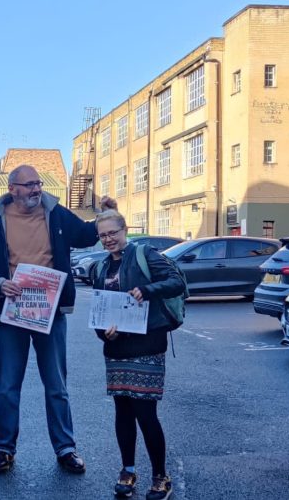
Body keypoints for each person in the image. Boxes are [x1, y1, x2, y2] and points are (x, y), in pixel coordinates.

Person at [0, 164, 114, 475]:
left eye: (38, 183)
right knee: (8, 385)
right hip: (12, 311)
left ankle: (66, 448)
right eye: (29, 185)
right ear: (13, 189)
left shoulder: (55, 212)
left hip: (50, 313)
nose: (36, 189)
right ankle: (4, 449)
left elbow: (83, 234)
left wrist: (105, 215)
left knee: (56, 384)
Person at [91, 209, 185, 500]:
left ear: (124, 229)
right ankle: (128, 470)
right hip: (117, 348)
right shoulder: (100, 267)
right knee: (123, 412)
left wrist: (146, 289)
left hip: (147, 344)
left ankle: (161, 476)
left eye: (113, 233)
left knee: (145, 413)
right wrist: (104, 333)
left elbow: (177, 282)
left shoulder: (145, 254)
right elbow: (100, 312)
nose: (108, 239)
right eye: (103, 235)